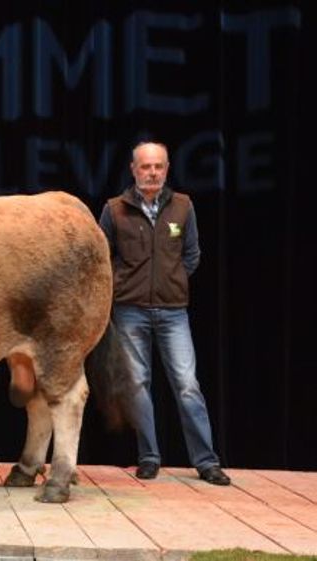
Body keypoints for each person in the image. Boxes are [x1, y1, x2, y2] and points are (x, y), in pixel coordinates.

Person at [98, 141, 230, 485]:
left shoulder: (183, 206)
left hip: (173, 311)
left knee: (187, 386)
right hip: (130, 310)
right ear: (133, 170)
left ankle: (206, 462)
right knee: (137, 385)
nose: (152, 172)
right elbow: (101, 258)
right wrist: (123, 285)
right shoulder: (115, 209)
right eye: (146, 166)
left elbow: (192, 254)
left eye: (158, 166)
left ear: (167, 169)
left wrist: (174, 280)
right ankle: (149, 458)